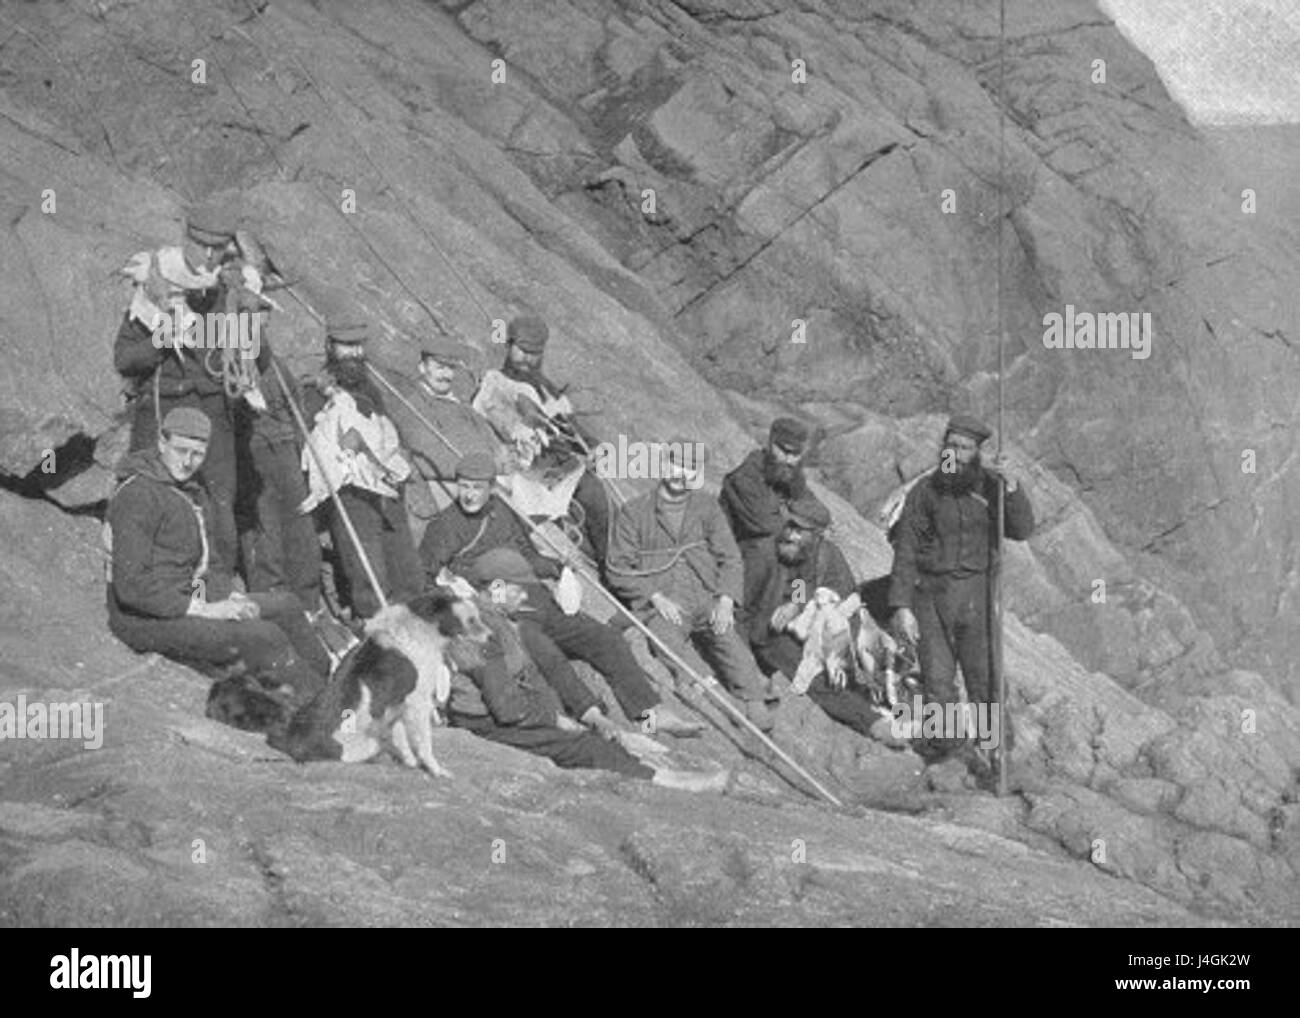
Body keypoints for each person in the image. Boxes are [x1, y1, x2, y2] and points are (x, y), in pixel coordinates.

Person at [445, 553, 727, 792]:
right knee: (583, 748)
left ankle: (646, 756)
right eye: (518, 589)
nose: (524, 596)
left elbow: (529, 680)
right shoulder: (480, 631)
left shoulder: (498, 620)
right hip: (485, 724)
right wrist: (554, 720)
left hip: (505, 711)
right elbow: (507, 709)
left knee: (590, 736)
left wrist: (562, 716)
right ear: (495, 588)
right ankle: (669, 782)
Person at [105, 407, 330, 707]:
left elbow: (202, 566)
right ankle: (320, 715)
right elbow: (132, 588)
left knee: (286, 605)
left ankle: (329, 688)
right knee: (264, 637)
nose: (187, 462)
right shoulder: (139, 494)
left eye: (197, 454)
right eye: (181, 450)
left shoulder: (187, 490)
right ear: (161, 442)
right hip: (144, 617)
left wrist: (228, 597)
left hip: (185, 597)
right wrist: (205, 610)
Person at [113, 199, 252, 570]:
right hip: (162, 406)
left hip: (213, 412)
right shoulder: (154, 280)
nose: (207, 255)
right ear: (185, 237)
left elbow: (251, 361)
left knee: (219, 502)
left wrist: (245, 314)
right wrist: (160, 339)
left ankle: (215, 591)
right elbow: (124, 359)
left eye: (217, 248)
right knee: (149, 496)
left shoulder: (232, 289)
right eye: (200, 244)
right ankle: (143, 588)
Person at [888, 414, 1035, 764]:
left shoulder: (991, 488)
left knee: (983, 679)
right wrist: (901, 606)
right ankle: (948, 753)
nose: (955, 452)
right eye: (950, 445)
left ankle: (996, 753)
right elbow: (906, 548)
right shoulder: (925, 492)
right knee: (937, 682)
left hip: (977, 597)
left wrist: (1011, 487)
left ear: (976, 453)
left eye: (964, 447)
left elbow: (1022, 529)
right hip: (931, 598)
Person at [606, 439, 777, 732]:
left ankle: (754, 700)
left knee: (731, 644)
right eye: (676, 464)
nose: (681, 473)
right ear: (663, 464)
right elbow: (617, 568)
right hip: (664, 602)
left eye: (689, 467)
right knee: (670, 646)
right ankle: (714, 698)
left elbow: (731, 558)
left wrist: (725, 599)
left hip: (705, 594)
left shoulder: (707, 508)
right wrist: (654, 597)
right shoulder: (634, 513)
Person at [468, 549, 705, 738]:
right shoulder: (448, 527)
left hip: (542, 605)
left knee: (607, 639)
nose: (470, 493)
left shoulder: (503, 510)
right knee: (544, 651)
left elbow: (527, 555)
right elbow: (457, 573)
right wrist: (496, 603)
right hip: (511, 610)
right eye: (466, 485)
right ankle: (593, 716)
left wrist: (554, 566)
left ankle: (649, 718)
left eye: (479, 486)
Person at [300, 316, 423, 618]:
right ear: (330, 346)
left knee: (409, 574)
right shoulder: (313, 392)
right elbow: (312, 453)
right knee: (371, 573)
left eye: (359, 346)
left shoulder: (371, 389)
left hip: (382, 486)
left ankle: (414, 618)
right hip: (346, 489)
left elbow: (389, 435)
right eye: (346, 346)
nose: (354, 353)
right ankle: (375, 620)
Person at [472, 315, 611, 563]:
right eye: (522, 350)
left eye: (535, 353)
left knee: (597, 494)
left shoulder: (542, 385)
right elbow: (498, 414)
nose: (527, 358)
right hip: (521, 471)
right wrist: (524, 425)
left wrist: (589, 443)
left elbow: (571, 421)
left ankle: (614, 566)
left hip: (554, 468)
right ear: (508, 345)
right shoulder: (494, 381)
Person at [740, 493, 881, 735]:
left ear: (817, 536)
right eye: (790, 526)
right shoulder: (765, 552)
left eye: (800, 530)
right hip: (770, 637)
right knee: (814, 678)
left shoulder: (827, 555)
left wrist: (799, 605)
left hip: (816, 634)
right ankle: (872, 723)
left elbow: (845, 596)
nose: (791, 534)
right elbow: (744, 607)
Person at [383, 334, 505, 533]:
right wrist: (488, 469)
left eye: (451, 368)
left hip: (489, 481)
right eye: (440, 367)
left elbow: (494, 444)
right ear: (422, 367)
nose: (447, 375)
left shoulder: (462, 406)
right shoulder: (413, 405)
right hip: (451, 489)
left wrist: (505, 462)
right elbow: (430, 457)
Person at [720, 417, 811, 575]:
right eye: (783, 451)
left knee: (822, 555)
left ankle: (800, 599)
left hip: (771, 552)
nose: (788, 460)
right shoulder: (745, 478)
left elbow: (820, 514)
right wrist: (800, 523)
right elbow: (765, 525)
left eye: (795, 454)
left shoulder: (789, 476)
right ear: (770, 444)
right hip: (737, 557)